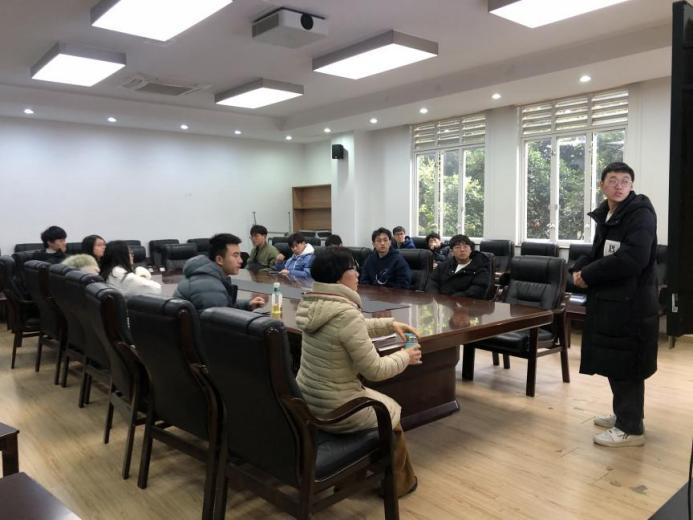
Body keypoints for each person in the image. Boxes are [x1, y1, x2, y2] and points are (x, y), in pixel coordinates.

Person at [295, 247, 421, 497]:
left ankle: (350, 480)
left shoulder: (316, 304)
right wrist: (405, 356)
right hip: (335, 406)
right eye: (353, 268)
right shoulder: (345, 314)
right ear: (340, 277)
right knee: (391, 415)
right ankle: (399, 485)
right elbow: (375, 370)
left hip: (307, 399)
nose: (358, 273)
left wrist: (389, 324)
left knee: (379, 405)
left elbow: (352, 327)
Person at [571, 162, 658, 448]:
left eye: (625, 181)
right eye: (612, 180)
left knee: (626, 365)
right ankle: (625, 416)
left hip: (631, 304)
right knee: (615, 361)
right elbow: (601, 252)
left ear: (632, 186)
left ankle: (630, 430)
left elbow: (633, 258)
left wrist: (588, 275)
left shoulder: (640, 214)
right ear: (602, 185)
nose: (619, 185)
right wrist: (579, 268)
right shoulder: (611, 214)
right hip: (612, 301)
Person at [174, 233, 265, 312]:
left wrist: (248, 304)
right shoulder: (208, 285)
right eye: (235, 256)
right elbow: (222, 321)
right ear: (219, 260)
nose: (241, 260)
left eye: (239, 255)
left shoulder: (207, 277)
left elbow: (224, 306)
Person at [425, 235, 491, 299]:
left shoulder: (480, 266)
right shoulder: (445, 265)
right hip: (440, 302)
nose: (462, 250)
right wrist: (435, 296)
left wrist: (452, 299)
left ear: (471, 250)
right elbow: (432, 281)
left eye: (465, 247)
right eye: (457, 247)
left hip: (466, 303)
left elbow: (478, 289)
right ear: (452, 252)